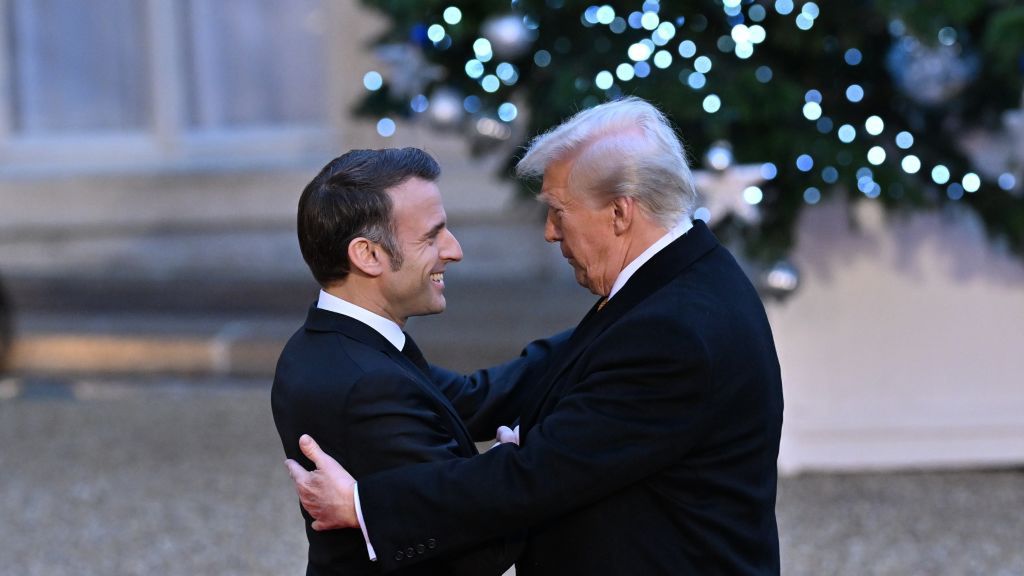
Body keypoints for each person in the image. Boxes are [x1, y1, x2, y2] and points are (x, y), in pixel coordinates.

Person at [287, 97, 785, 575]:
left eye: (559, 211)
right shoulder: (674, 282)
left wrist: (363, 505)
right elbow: (528, 378)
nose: (550, 232)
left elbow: (536, 476)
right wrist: (354, 344)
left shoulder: (676, 328)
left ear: (620, 212)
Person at [273, 147, 561, 575]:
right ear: (368, 255)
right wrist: (516, 461)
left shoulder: (329, 343)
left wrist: (605, 331)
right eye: (432, 236)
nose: (454, 250)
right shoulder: (367, 382)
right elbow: (477, 550)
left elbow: (470, 398)